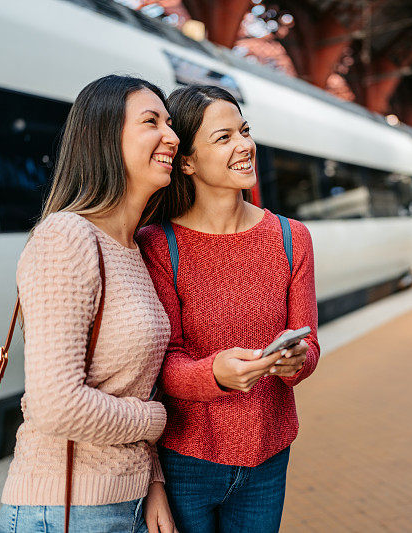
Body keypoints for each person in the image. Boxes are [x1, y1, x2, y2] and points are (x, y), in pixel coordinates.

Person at [0, 75, 179, 533]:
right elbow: (55, 404)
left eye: (170, 123)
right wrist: (157, 420)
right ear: (104, 137)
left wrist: (154, 481)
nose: (172, 137)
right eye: (151, 121)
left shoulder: (133, 248)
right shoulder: (67, 237)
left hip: (127, 502)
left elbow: (132, 385)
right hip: (64, 509)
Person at [136, 85, 320, 533]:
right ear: (186, 161)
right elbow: (159, 364)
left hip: (269, 455)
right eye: (224, 138)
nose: (245, 145)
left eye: (245, 130)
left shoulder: (291, 238)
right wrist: (215, 375)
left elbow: (309, 343)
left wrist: (296, 360)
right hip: (185, 458)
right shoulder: (159, 244)